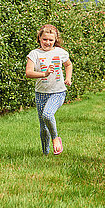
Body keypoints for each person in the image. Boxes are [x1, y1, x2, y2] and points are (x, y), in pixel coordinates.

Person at [26, 24, 73, 155]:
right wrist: (43, 74)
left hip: (58, 92)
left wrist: (68, 78)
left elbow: (68, 65)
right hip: (41, 93)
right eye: (45, 39)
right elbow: (28, 73)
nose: (48, 42)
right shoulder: (34, 54)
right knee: (43, 128)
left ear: (55, 39)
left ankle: (56, 138)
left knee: (47, 115)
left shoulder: (60, 52)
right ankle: (45, 154)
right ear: (39, 38)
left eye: (51, 40)